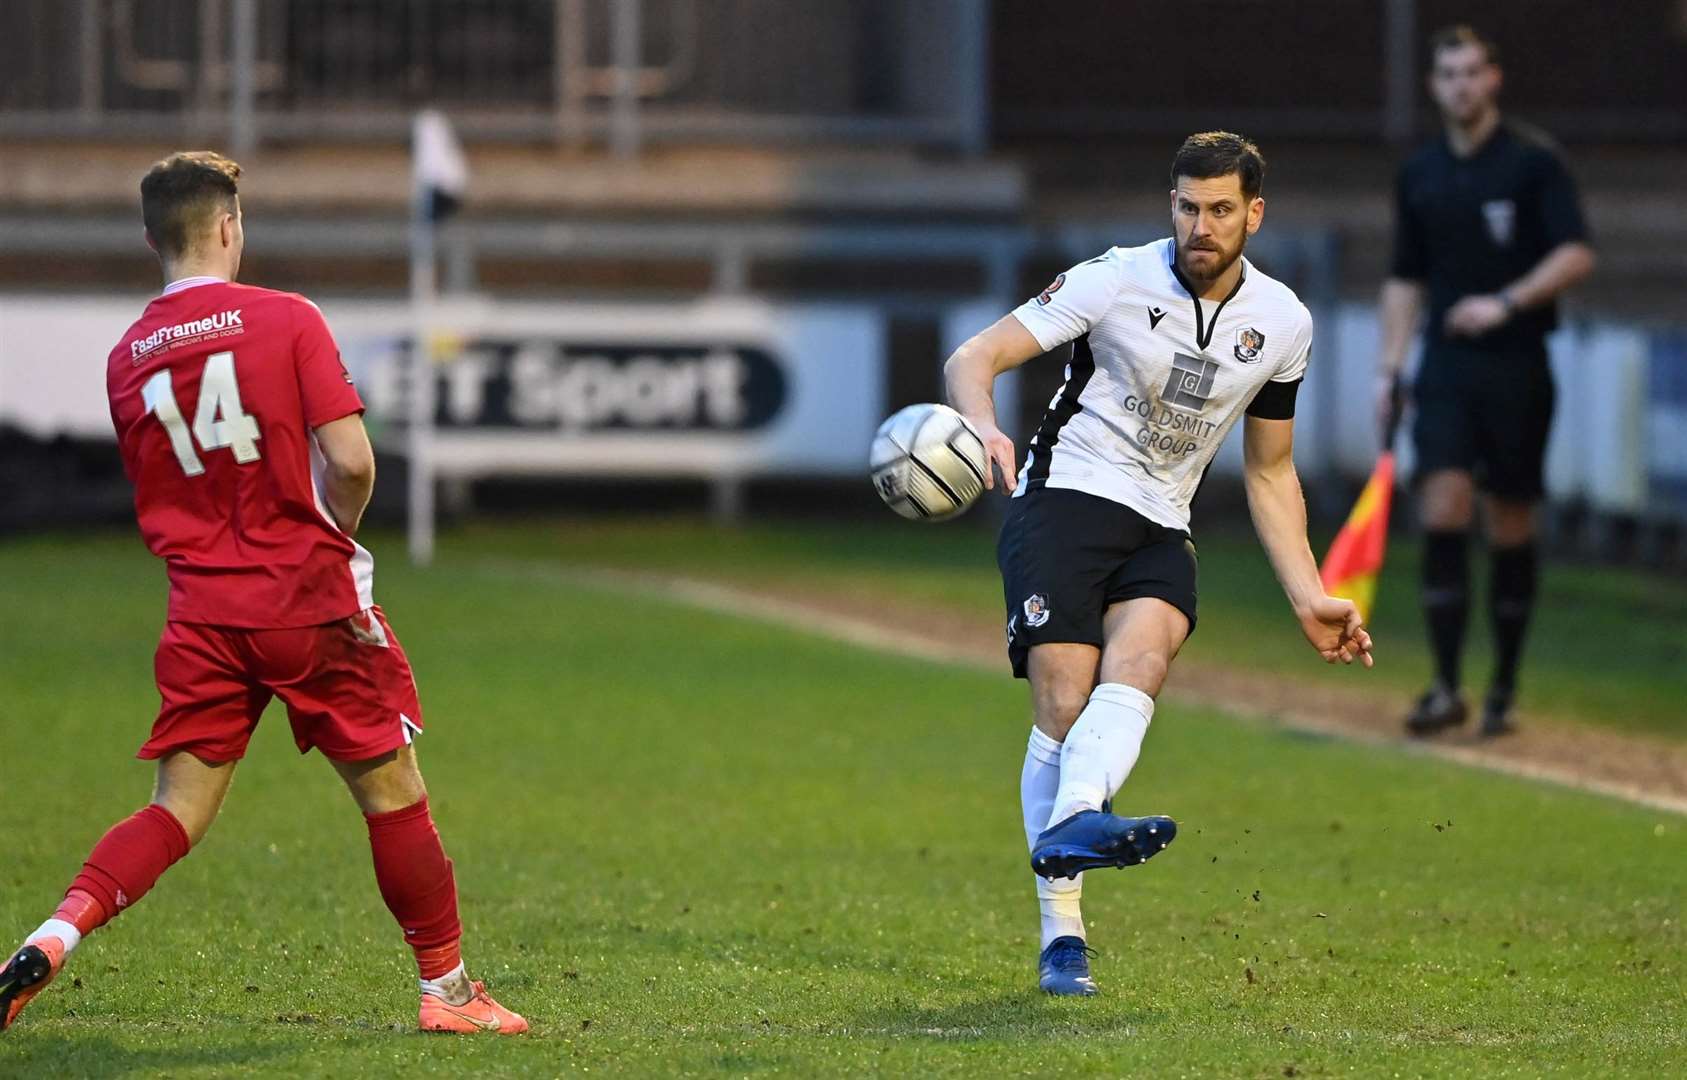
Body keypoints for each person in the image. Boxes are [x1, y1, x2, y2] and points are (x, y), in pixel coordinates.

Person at [0, 152, 527, 1035]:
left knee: (177, 809)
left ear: (149, 240)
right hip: (306, 600)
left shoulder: (127, 357)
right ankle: (449, 993)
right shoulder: (286, 318)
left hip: (201, 613)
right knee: (393, 791)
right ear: (231, 226)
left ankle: (55, 934)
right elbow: (353, 460)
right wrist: (337, 532)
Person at [944, 132, 1373, 997]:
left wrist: (1307, 595)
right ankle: (1061, 935)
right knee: (1064, 703)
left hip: (1160, 523)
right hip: (1063, 498)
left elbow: (1269, 469)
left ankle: (1075, 823)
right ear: (1169, 204)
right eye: (1186, 206)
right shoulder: (1114, 278)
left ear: (1254, 212)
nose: (1200, 225)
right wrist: (982, 423)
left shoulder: (1283, 322)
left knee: (1139, 666)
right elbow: (973, 356)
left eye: (1219, 209)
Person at [1378, 26, 1595, 738]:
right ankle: (1444, 686)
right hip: (1444, 367)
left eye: (1472, 72)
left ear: (1493, 78)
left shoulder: (1533, 163)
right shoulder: (1420, 174)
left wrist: (1504, 302)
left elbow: (1574, 253)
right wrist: (1389, 368)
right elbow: (1403, 277)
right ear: (1434, 86)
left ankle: (1501, 686)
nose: (1460, 85)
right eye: (1447, 74)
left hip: (1516, 364)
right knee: (1441, 503)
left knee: (1508, 518)